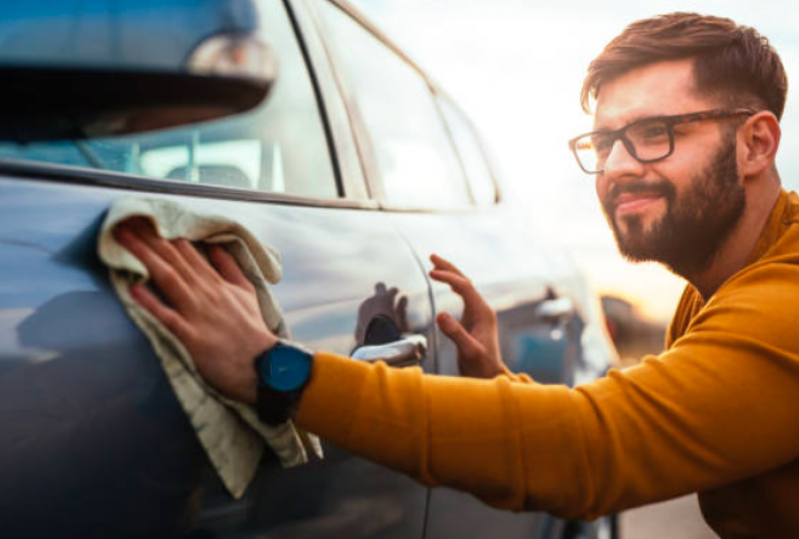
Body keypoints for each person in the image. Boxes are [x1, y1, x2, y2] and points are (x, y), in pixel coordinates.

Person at [115, 12, 799, 537]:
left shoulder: (784, 298)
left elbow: (598, 447)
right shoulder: (715, 286)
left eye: (656, 132)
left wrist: (277, 370)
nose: (618, 164)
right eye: (603, 140)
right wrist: (502, 388)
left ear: (755, 143)